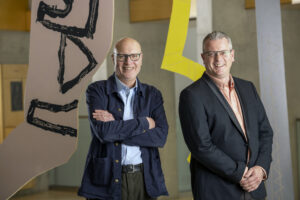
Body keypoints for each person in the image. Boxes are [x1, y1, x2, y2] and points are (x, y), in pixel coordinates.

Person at [179, 31, 273, 200]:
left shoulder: (248, 88)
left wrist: (260, 169)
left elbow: (265, 132)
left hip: (254, 189)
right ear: (203, 57)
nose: (218, 59)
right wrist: (239, 173)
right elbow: (201, 146)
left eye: (223, 52)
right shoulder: (192, 95)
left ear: (232, 55)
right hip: (217, 191)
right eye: (211, 54)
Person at [78, 37, 169, 200]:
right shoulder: (97, 91)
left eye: (134, 56)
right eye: (122, 56)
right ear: (113, 58)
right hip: (106, 177)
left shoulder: (152, 94)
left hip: (144, 178)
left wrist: (117, 128)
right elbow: (104, 133)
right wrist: (145, 123)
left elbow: (160, 136)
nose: (128, 62)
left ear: (141, 59)